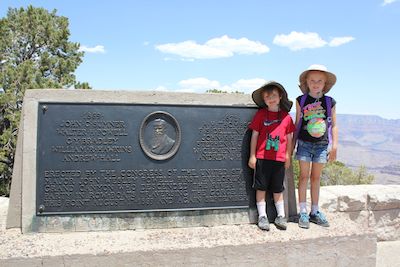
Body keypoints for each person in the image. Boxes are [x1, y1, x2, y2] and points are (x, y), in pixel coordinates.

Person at [294, 64, 338, 229]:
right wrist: (292, 145)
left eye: (319, 80)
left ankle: (315, 210)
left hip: (321, 145)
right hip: (304, 143)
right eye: (312, 80)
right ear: (306, 81)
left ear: (325, 83)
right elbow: (297, 123)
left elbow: (334, 125)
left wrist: (334, 146)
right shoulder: (301, 100)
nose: (316, 83)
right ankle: (303, 211)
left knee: (316, 178)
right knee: (304, 177)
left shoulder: (329, 102)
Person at [248, 81, 295, 231]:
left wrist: (288, 156)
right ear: (264, 99)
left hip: (279, 159)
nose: (271, 98)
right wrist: (252, 155)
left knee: (277, 189)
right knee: (261, 188)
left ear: (280, 96)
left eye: (274, 95)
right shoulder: (261, 114)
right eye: (267, 96)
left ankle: (280, 216)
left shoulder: (286, 118)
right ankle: (262, 216)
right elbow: (254, 135)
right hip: (262, 158)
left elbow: (289, 138)